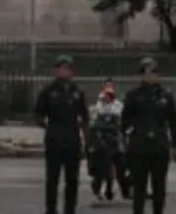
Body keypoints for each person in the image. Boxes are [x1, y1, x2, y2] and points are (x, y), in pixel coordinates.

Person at [120, 57, 176, 214]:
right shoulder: (133, 95)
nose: (150, 75)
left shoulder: (166, 95)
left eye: (153, 72)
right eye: (146, 72)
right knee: (139, 187)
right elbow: (124, 122)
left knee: (159, 187)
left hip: (159, 146)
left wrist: (175, 144)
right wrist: (125, 142)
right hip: (139, 146)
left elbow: (173, 120)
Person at [34, 55, 91, 214]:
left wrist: (87, 140)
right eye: (61, 68)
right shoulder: (48, 91)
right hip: (54, 139)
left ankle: (70, 209)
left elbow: (85, 117)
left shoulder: (77, 92)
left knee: (72, 180)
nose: (64, 71)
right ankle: (51, 209)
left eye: (67, 68)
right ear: (56, 70)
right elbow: (38, 115)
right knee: (52, 179)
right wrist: (49, 127)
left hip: (72, 139)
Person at [87, 80, 127, 202]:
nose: (107, 98)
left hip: (114, 142)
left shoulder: (118, 106)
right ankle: (99, 188)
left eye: (109, 96)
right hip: (101, 143)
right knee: (101, 168)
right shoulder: (97, 107)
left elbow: (120, 124)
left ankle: (124, 190)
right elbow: (93, 125)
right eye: (105, 96)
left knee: (120, 167)